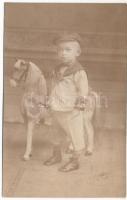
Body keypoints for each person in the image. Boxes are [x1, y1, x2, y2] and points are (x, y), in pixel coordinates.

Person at [44, 32, 94, 172]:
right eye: (60, 50)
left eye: (67, 50)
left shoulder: (79, 72)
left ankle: (74, 161)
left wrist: (80, 106)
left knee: (74, 135)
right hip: (56, 108)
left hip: (71, 110)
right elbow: (54, 86)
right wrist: (49, 100)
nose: (63, 53)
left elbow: (83, 90)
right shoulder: (57, 69)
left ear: (78, 52)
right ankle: (56, 155)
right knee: (55, 133)